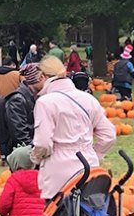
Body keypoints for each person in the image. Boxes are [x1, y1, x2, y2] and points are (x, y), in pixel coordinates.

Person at [30, 56, 116, 199]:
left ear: (43, 77)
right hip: (89, 166)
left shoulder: (45, 102)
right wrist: (93, 153)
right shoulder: (88, 99)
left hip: (58, 169)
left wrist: (35, 159)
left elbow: (43, 143)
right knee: (87, 215)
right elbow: (109, 135)